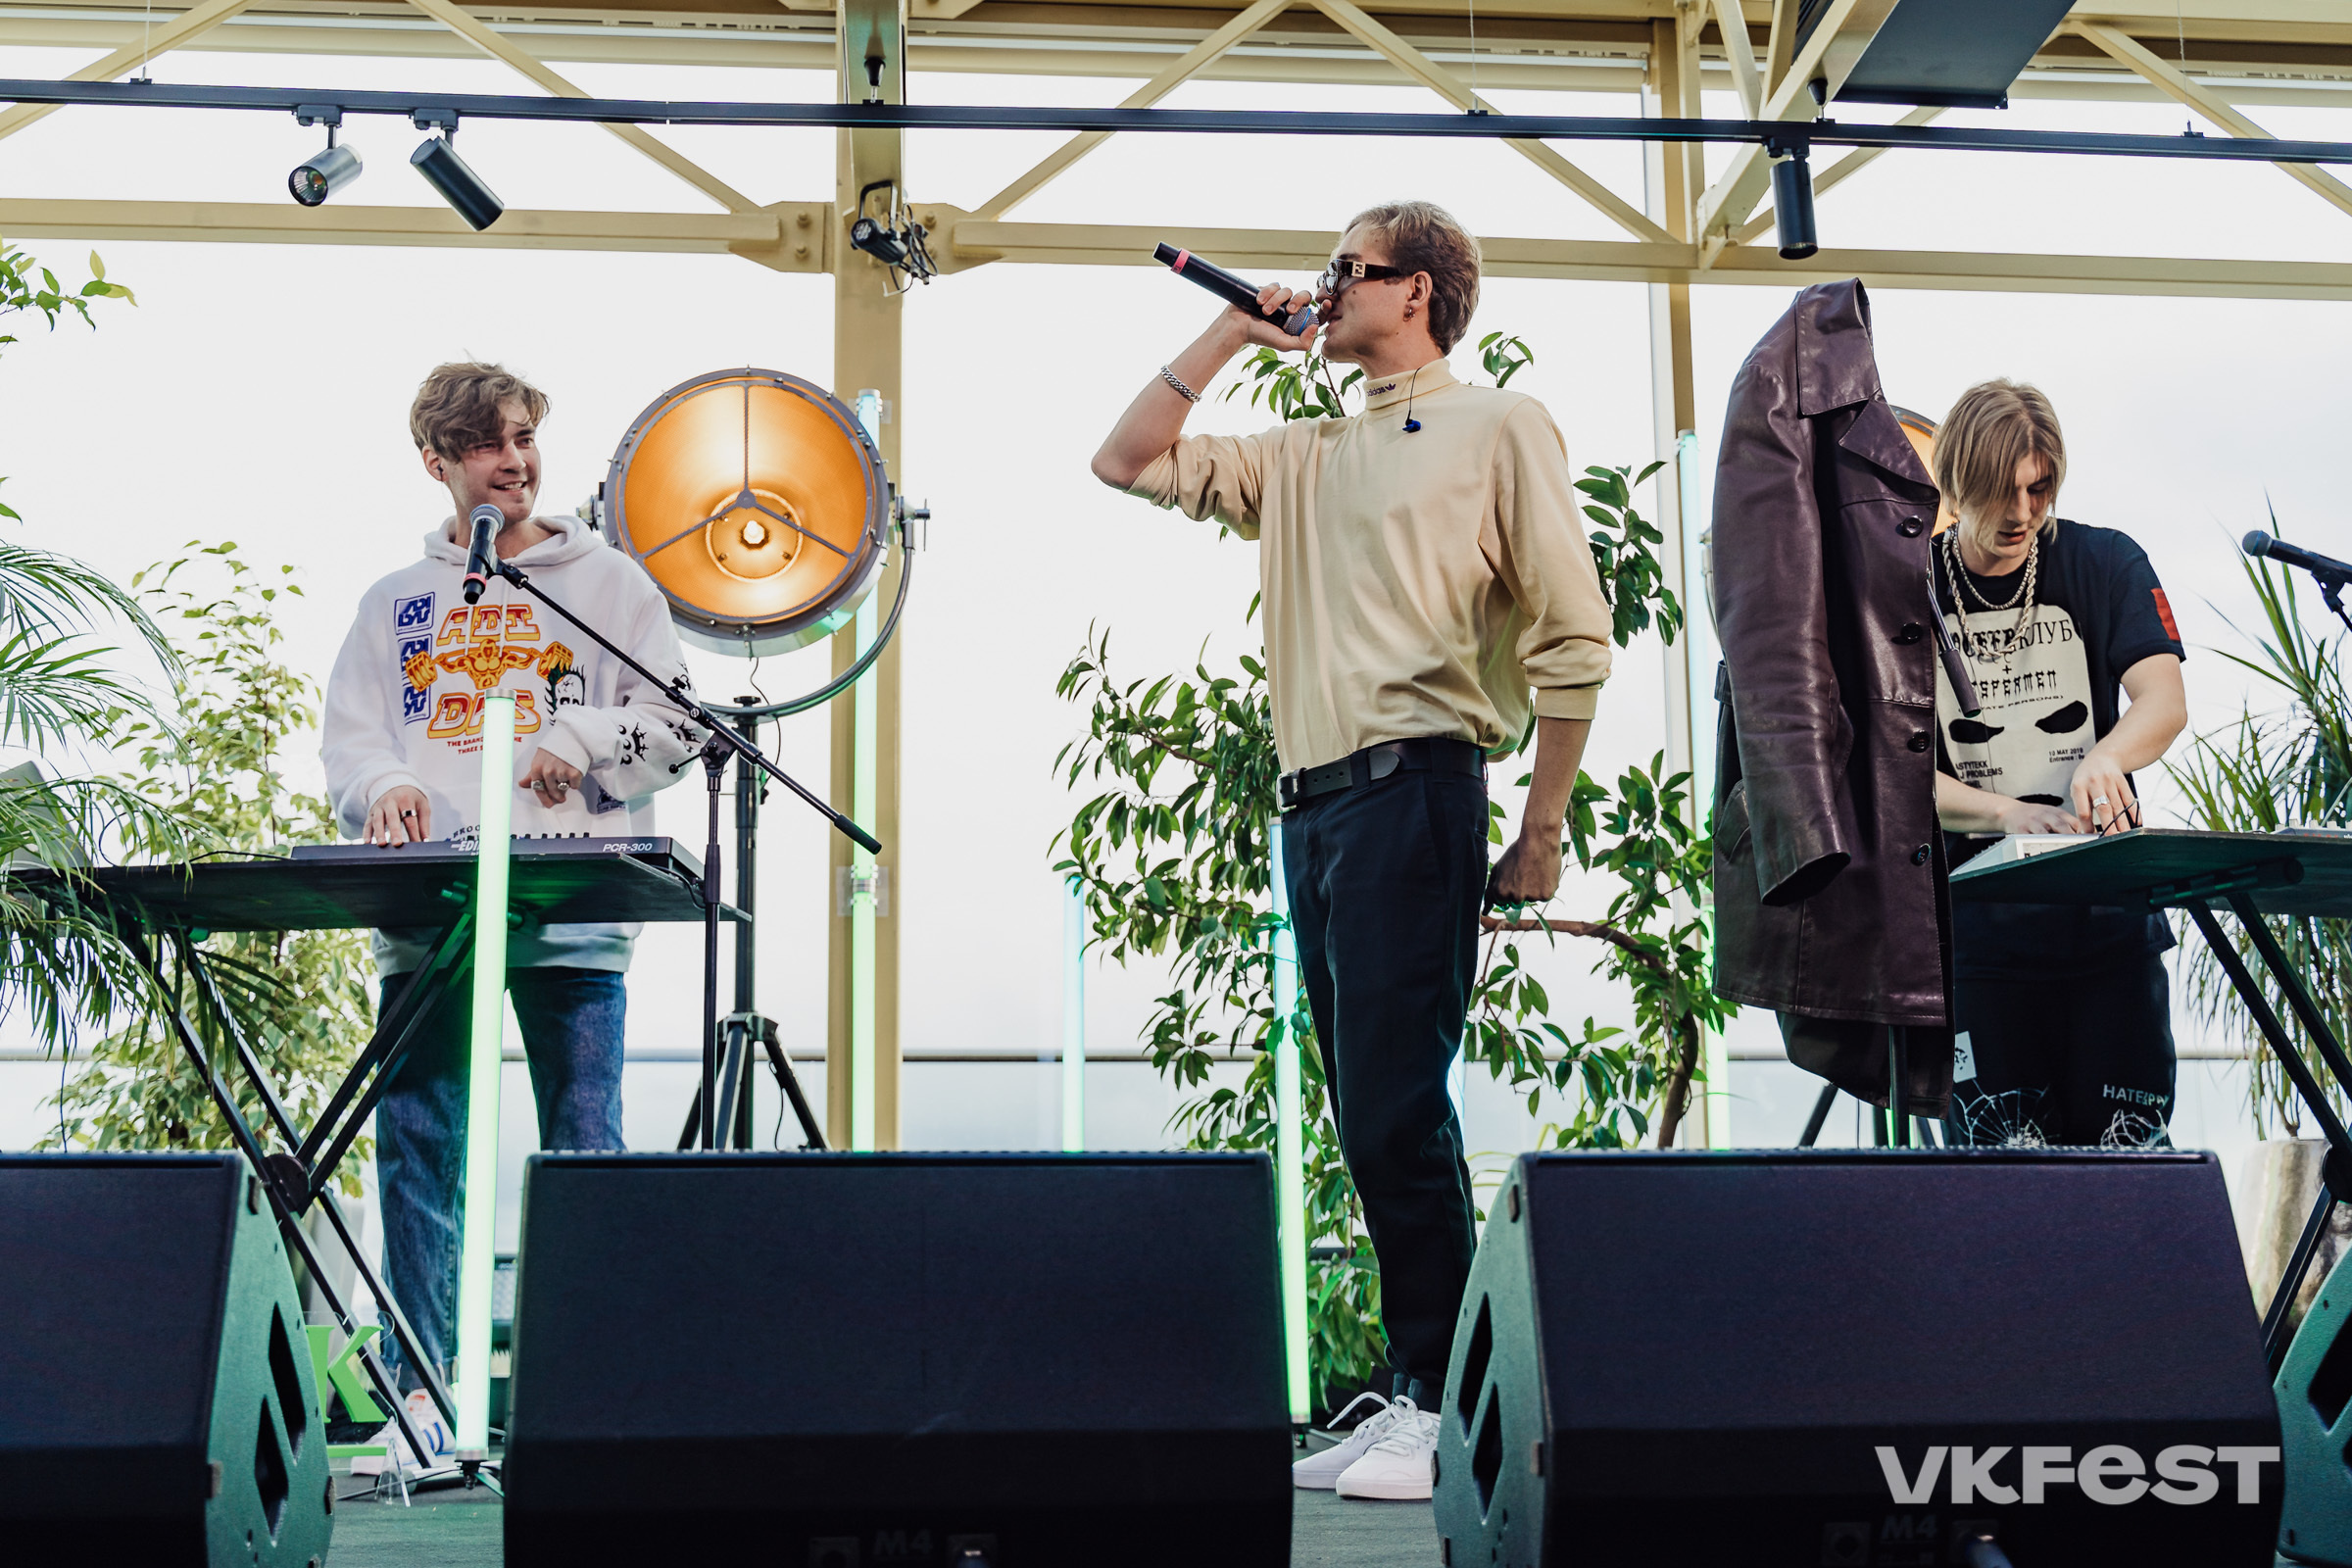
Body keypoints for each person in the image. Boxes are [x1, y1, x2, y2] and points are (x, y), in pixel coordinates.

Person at [1092, 201, 1613, 1501]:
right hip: (1314, 809)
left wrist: (1542, 828)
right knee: (1364, 1109)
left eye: (1348, 271)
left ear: (1419, 292)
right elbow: (1124, 458)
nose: (1325, 289)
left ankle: (1443, 1401)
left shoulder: (1499, 425)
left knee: (1395, 1106)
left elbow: (1571, 634)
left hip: (1419, 785)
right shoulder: (1305, 452)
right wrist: (1231, 325)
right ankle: (1416, 1387)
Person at [322, 362, 704, 1454]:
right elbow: (351, 738)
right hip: (429, 904)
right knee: (419, 1143)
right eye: (488, 444)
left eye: (524, 437)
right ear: (438, 463)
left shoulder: (612, 584)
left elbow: (675, 723)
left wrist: (576, 739)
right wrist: (385, 788)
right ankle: (419, 1400)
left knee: (584, 1147)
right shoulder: (396, 600)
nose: (515, 460)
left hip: (571, 901)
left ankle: (587, 1402)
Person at [1929, 380, 2187, 1148]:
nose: (2020, 512)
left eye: (2037, 488)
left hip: (2107, 930)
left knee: (2129, 1168)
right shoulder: (1902, 587)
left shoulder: (2104, 560)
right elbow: (1882, 764)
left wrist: (2104, 760)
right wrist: (2007, 814)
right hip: (1978, 942)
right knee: (2005, 1183)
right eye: (1998, 492)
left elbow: (2162, 699)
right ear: (1953, 484)